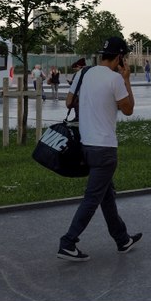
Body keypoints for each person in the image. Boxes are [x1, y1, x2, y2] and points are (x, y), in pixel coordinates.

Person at [57, 36, 141, 261]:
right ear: (120, 57)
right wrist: (127, 80)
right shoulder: (115, 80)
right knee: (93, 198)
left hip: (85, 145)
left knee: (106, 195)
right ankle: (68, 242)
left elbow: (68, 102)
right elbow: (129, 109)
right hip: (104, 148)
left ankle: (122, 239)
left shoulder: (83, 74)